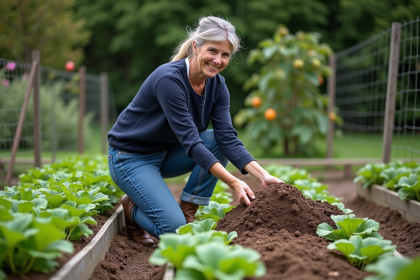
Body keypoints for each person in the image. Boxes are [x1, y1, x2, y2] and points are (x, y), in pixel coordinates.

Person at [107, 16, 282, 246]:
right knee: (175, 231)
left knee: (217, 140)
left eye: (225, 55)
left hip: (167, 155)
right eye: (213, 51)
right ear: (195, 47)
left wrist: (263, 176)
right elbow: (191, 141)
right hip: (130, 158)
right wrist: (234, 182)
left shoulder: (218, 86)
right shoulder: (169, 79)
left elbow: (227, 137)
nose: (218, 60)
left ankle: (188, 209)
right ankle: (131, 208)